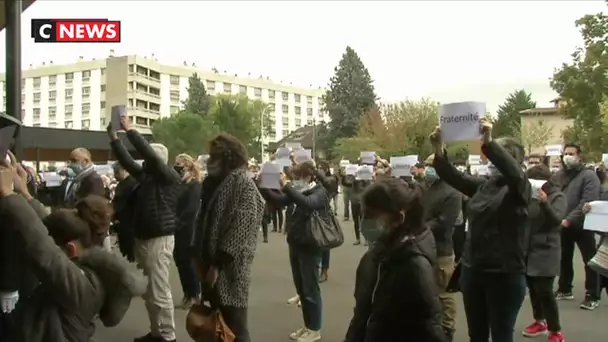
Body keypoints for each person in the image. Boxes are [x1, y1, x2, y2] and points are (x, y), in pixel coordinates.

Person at [0, 155, 147, 342]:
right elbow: (45, 225)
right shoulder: (87, 259)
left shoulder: (84, 286)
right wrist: (25, 193)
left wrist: (9, 195)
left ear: (69, 249)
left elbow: (43, 248)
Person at [430, 117, 531, 342]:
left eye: (495, 154)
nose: (489, 159)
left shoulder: (519, 190)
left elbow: (515, 175)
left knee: (501, 335)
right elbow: (452, 176)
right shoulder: (485, 186)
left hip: (503, 275)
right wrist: (438, 146)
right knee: (476, 334)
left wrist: (488, 140)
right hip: (473, 271)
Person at [107, 117, 181, 342]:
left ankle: (168, 336)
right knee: (150, 292)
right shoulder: (147, 178)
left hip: (159, 238)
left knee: (159, 290)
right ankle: (157, 332)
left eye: (149, 159)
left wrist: (130, 130)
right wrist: (114, 139)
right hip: (146, 237)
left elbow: (147, 156)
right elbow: (128, 162)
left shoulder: (168, 177)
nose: (145, 163)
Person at [344, 178, 445, 342]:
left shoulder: (415, 268)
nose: (365, 222)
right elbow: (360, 316)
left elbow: (431, 329)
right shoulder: (373, 258)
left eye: (372, 216)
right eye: (364, 214)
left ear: (399, 218)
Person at [192, 133, 265, 342]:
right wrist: (197, 256)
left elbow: (240, 230)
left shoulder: (243, 184)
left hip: (230, 269)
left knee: (235, 327)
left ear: (229, 157)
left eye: (215, 156)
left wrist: (217, 265)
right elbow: (202, 221)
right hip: (209, 263)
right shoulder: (213, 183)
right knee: (217, 324)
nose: (210, 161)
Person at [263, 161, 329, 342]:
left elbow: (307, 203)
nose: (296, 181)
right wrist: (265, 185)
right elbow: (280, 200)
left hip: (310, 246)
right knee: (301, 288)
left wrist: (287, 187)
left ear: (308, 176)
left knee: (311, 290)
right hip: (296, 244)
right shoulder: (300, 190)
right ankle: (308, 326)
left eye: (298, 177)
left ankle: (315, 329)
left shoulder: (320, 192)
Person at [521, 165, 566, 342]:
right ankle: (539, 321)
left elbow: (556, 221)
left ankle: (555, 330)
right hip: (529, 248)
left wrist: (545, 203)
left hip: (547, 250)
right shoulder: (529, 195)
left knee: (545, 291)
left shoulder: (557, 196)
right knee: (532, 287)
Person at [555, 143, 601, 310]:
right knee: (564, 258)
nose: (568, 156)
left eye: (572, 153)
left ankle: (592, 294)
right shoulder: (559, 175)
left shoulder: (589, 176)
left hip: (583, 225)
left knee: (589, 261)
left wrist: (569, 219)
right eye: (566, 153)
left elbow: (587, 202)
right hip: (563, 224)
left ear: (579, 156)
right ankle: (565, 289)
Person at [422, 153, 462, 341]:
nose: (428, 169)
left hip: (442, 250)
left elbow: (445, 222)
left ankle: (448, 328)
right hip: (424, 247)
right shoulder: (428, 189)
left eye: (432, 166)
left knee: (444, 293)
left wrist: (420, 227)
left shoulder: (452, 192)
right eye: (427, 165)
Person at [173, 153, 203, 310]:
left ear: (188, 167)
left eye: (180, 165)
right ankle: (186, 293)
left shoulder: (195, 185)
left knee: (189, 262)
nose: (177, 167)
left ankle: (194, 294)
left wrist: (178, 222)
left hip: (188, 227)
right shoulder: (180, 184)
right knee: (179, 261)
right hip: (177, 227)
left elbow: (191, 209)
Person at [316, 160, 339, 283]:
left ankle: (324, 271)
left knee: (325, 243)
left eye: (320, 168)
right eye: (317, 168)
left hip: (325, 214)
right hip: (315, 213)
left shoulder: (331, 179)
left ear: (325, 169)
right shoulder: (316, 181)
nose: (318, 170)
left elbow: (329, 187)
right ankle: (317, 268)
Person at [111, 162, 139, 262]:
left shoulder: (133, 184)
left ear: (125, 170)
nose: (115, 175)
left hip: (128, 224)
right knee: (124, 251)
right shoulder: (120, 185)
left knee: (130, 252)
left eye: (117, 172)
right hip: (121, 223)